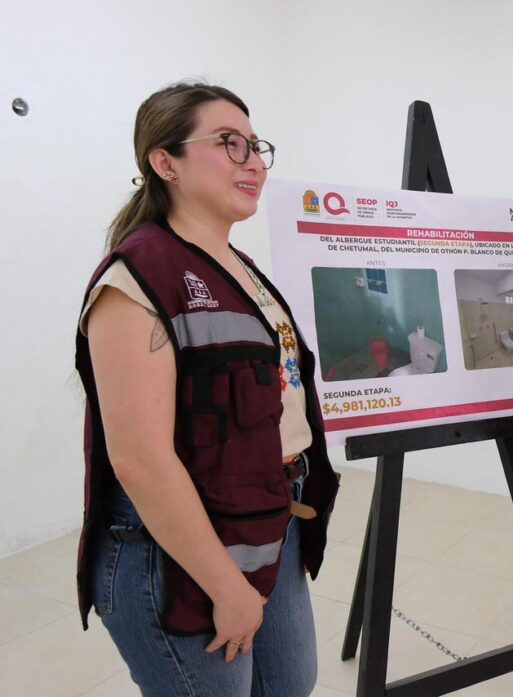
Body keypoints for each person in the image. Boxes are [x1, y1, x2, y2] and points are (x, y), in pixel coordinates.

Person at [74, 82, 340, 697]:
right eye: (229, 143)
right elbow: (140, 459)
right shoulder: (136, 277)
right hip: (178, 550)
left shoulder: (240, 267)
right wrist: (226, 587)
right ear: (164, 163)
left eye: (256, 146)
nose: (254, 163)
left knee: (290, 685)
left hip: (268, 518)